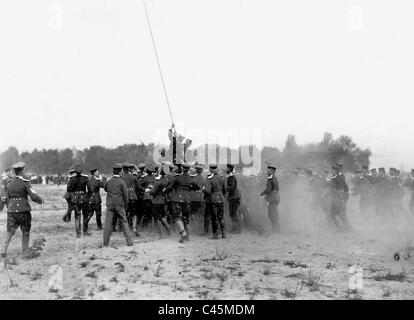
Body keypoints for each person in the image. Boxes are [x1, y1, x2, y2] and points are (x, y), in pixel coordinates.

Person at [1, 162, 43, 258]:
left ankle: (3, 250)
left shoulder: (9, 183)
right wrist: (40, 200)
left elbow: (7, 198)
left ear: (14, 171)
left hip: (11, 210)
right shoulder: (25, 182)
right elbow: (33, 195)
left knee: (10, 231)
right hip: (23, 209)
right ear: (22, 170)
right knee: (25, 231)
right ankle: (25, 252)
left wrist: (10, 207)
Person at [164, 163, 198, 242]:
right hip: (187, 200)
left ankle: (183, 233)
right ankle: (187, 236)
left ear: (182, 169)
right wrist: (189, 188)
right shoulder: (190, 179)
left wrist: (165, 191)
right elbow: (197, 187)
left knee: (176, 217)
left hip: (178, 200)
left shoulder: (178, 178)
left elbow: (170, 187)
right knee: (186, 218)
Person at [103, 164, 133, 247]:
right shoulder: (122, 182)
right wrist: (126, 205)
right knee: (124, 223)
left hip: (110, 205)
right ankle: (129, 243)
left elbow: (105, 189)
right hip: (120, 205)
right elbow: (126, 196)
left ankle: (105, 243)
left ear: (113, 172)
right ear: (120, 172)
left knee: (108, 224)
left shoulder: (109, 181)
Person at [67, 164, 93, 237]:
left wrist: (74, 194)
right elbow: (90, 189)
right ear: (82, 171)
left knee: (77, 216)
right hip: (84, 198)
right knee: (85, 215)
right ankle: (85, 231)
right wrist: (88, 195)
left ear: (75, 171)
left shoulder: (72, 179)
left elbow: (68, 189)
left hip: (75, 199)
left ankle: (78, 233)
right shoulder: (85, 178)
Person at [204, 164, 227, 239]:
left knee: (214, 217)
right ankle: (223, 234)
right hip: (220, 198)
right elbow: (224, 190)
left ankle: (215, 235)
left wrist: (203, 190)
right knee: (221, 217)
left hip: (212, 199)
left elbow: (207, 190)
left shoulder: (209, 178)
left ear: (210, 169)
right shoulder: (221, 178)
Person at [327, 165, 351, 231]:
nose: (332, 172)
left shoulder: (338, 178)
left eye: (334, 171)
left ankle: (341, 228)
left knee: (333, 214)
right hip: (336, 198)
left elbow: (341, 189)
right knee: (339, 214)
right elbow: (346, 188)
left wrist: (341, 197)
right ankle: (347, 227)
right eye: (332, 170)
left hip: (338, 198)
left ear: (337, 171)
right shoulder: (337, 178)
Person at [150, 165, 171, 237]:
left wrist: (149, 191)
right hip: (163, 200)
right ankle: (168, 227)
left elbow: (154, 191)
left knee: (157, 217)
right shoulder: (166, 179)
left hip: (156, 200)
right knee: (162, 216)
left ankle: (161, 233)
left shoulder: (157, 180)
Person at [259, 164, 280, 233]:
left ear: (272, 171)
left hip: (272, 199)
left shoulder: (271, 179)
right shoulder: (275, 178)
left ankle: (276, 230)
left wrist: (261, 194)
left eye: (269, 170)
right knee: (274, 214)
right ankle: (275, 229)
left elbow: (268, 190)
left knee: (273, 214)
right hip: (275, 198)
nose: (267, 171)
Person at [121, 163, 141, 231]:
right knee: (134, 213)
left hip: (125, 198)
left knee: (125, 213)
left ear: (123, 169)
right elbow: (139, 187)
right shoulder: (134, 177)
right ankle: (134, 227)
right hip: (133, 197)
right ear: (129, 169)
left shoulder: (121, 177)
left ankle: (126, 228)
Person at [225, 164, 242, 234]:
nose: (226, 169)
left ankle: (238, 229)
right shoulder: (230, 177)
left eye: (227, 168)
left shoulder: (231, 177)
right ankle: (234, 228)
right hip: (233, 197)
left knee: (233, 213)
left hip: (234, 197)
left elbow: (231, 188)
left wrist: (226, 188)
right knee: (232, 213)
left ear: (230, 169)